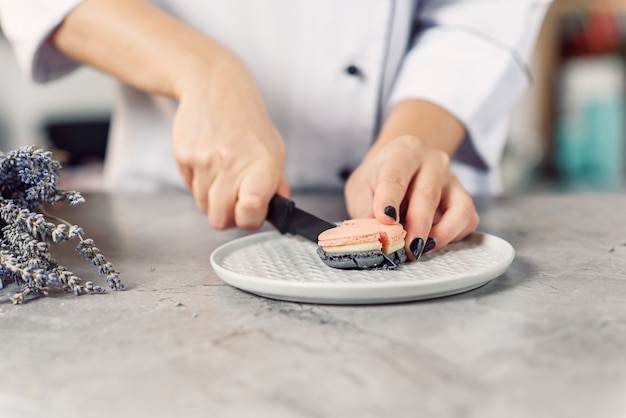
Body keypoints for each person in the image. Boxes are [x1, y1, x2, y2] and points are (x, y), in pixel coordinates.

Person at [0, 0, 550, 261]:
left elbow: (480, 17)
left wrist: (417, 138)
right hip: (172, 231)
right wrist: (199, 70)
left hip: (422, 217)